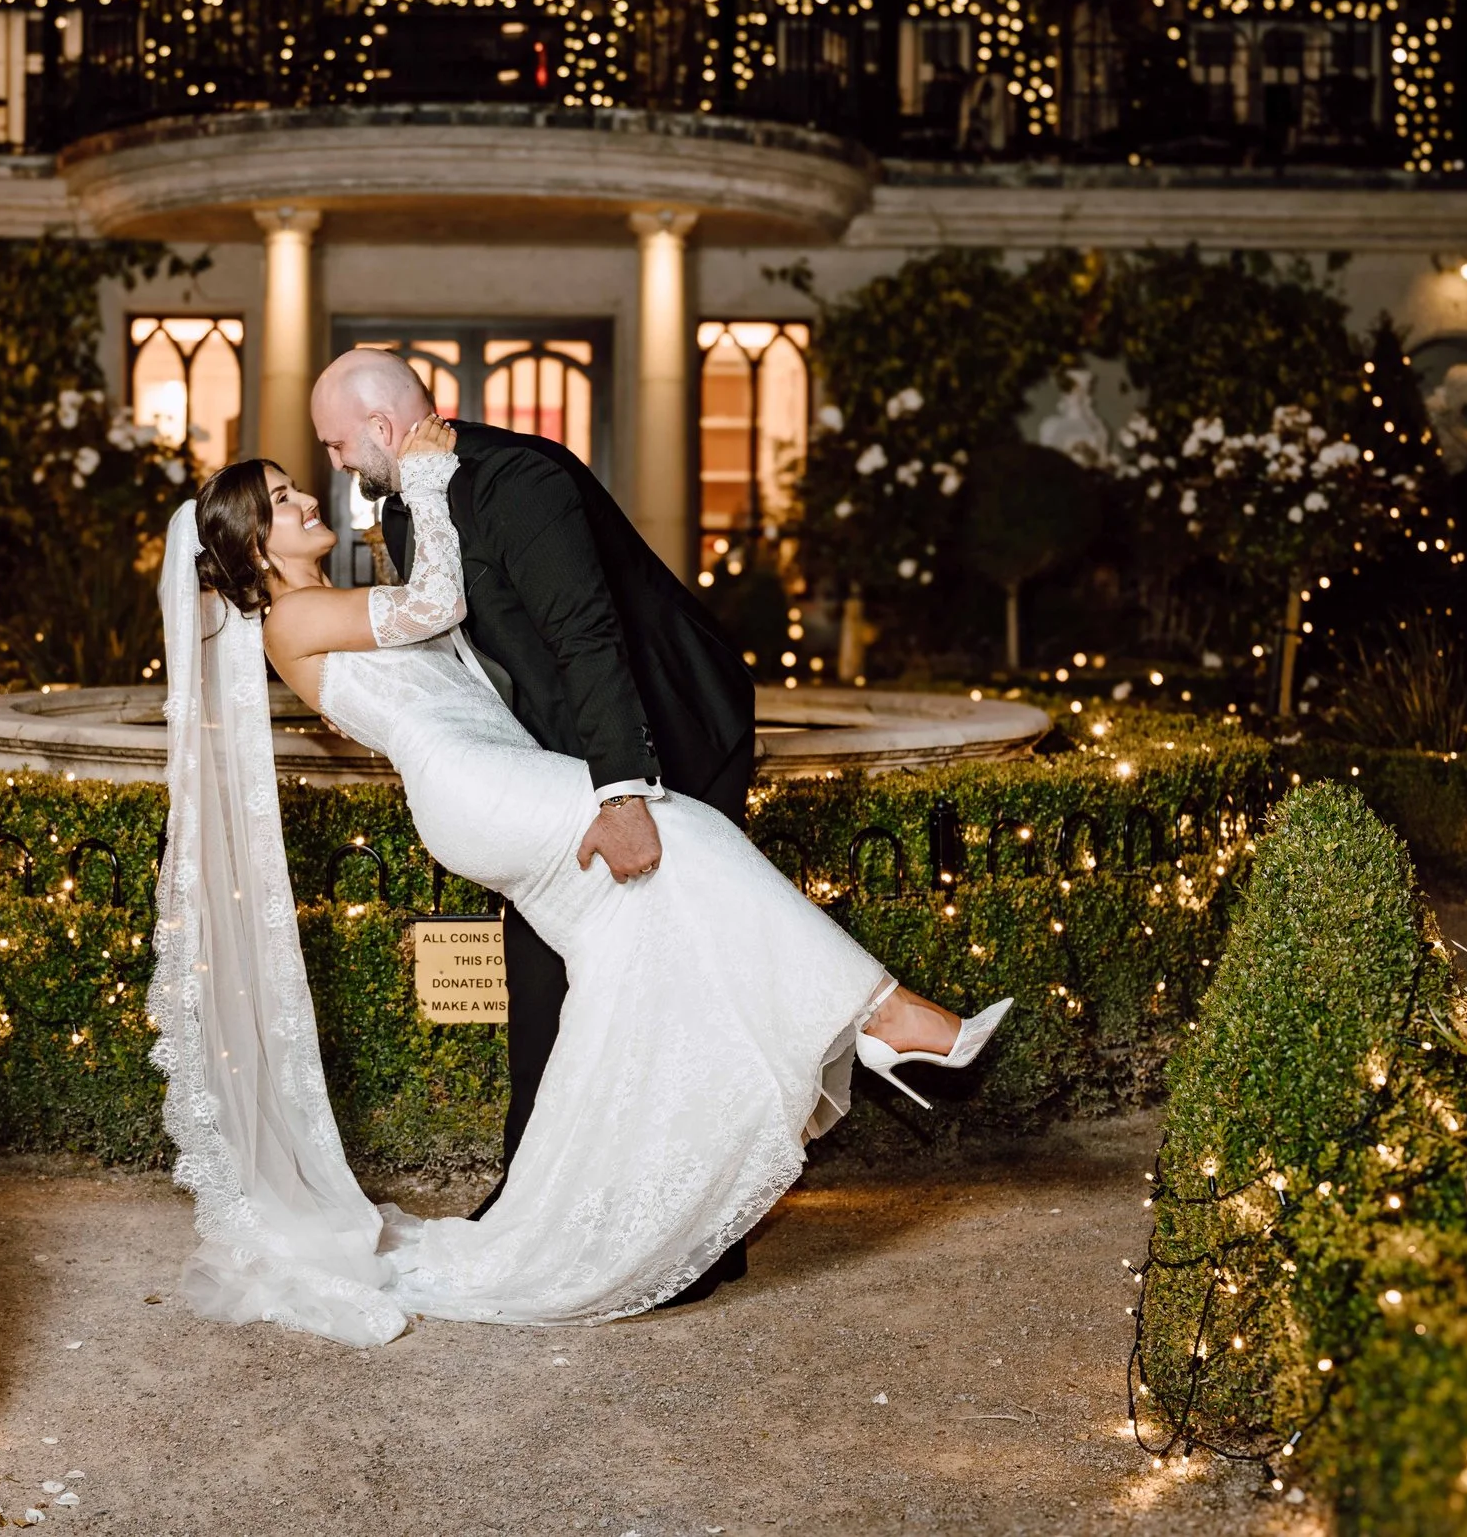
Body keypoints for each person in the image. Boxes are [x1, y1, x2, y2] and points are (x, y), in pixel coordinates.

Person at [145, 411, 1012, 1348]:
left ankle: (583, 1209)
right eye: (281, 499)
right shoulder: (296, 615)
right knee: (687, 838)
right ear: (252, 544)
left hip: (489, 777)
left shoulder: (335, 596)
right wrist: (432, 479)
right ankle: (892, 1019)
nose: (310, 494)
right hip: (478, 788)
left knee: (638, 956)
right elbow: (440, 601)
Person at [319, 348, 759, 1301]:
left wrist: (622, 792)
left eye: (340, 442)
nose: (338, 462)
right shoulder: (406, 504)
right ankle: (534, 1200)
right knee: (540, 966)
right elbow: (461, 633)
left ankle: (693, 1233)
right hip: (559, 758)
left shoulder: (524, 480)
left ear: (384, 430)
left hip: (668, 734)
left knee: (665, 981)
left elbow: (586, 636)